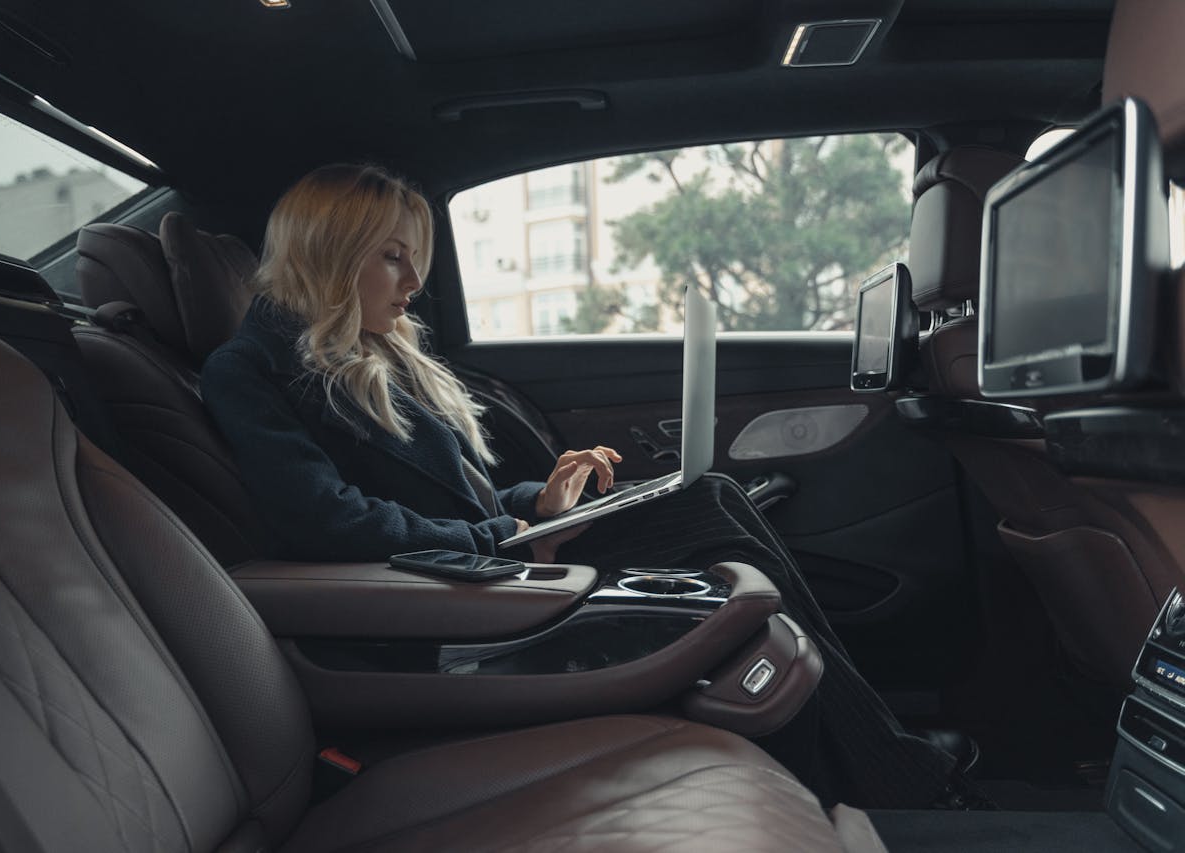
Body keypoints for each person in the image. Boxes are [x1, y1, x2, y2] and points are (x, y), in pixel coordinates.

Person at [202, 163, 971, 809]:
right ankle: (892, 766)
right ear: (331, 255)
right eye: (392, 257)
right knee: (709, 507)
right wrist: (499, 536)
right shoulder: (253, 370)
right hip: (450, 595)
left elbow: (455, 496)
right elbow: (326, 522)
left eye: (416, 257)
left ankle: (872, 759)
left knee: (714, 504)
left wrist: (537, 503)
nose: (415, 280)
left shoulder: (382, 351)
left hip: (497, 556)